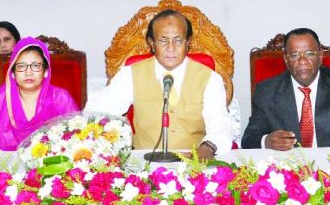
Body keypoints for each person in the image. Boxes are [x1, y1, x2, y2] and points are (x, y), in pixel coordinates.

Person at [84, 9, 233, 160]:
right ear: (151, 43)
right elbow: (96, 114)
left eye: (178, 40)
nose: (171, 47)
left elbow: (220, 126)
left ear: (188, 42)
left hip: (193, 162)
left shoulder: (209, 78)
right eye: (163, 40)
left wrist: (207, 147)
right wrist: (115, 143)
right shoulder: (130, 74)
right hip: (143, 163)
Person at [241, 28, 330, 157]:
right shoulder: (266, 90)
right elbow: (249, 138)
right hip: (287, 165)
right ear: (286, 59)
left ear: (320, 56)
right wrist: (266, 141)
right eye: (295, 55)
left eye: (309, 53)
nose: (302, 61)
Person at [0, 37, 78, 151]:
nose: (28, 72)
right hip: (6, 166)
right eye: (21, 66)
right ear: (13, 72)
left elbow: (79, 135)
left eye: (35, 65)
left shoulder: (60, 98)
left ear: (45, 71)